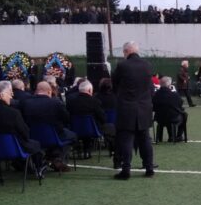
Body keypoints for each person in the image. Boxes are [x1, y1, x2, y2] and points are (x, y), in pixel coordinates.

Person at [0, 81, 45, 181]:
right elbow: (25, 132)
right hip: (15, 148)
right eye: (10, 92)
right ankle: (37, 170)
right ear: (2, 95)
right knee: (35, 144)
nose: (12, 95)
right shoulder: (13, 113)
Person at [112, 41, 155, 179]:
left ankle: (126, 170)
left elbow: (115, 85)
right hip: (144, 107)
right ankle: (149, 167)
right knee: (145, 138)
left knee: (126, 139)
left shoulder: (122, 65)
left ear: (126, 52)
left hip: (127, 107)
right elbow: (150, 88)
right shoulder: (147, 65)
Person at [22, 81, 76, 172]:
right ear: (49, 91)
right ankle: (57, 157)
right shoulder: (56, 103)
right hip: (54, 136)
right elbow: (66, 119)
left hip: (32, 136)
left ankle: (52, 156)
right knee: (73, 136)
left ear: (36, 91)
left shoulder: (25, 103)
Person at [66, 79, 110, 159]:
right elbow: (102, 117)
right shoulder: (95, 101)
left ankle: (79, 149)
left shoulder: (71, 102)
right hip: (92, 130)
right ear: (89, 90)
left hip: (74, 129)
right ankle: (87, 150)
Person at [152, 76, 187, 143]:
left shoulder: (155, 95)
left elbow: (153, 107)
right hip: (173, 118)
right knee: (184, 115)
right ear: (169, 85)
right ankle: (178, 136)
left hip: (159, 119)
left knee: (168, 114)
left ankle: (168, 136)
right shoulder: (174, 95)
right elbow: (180, 104)